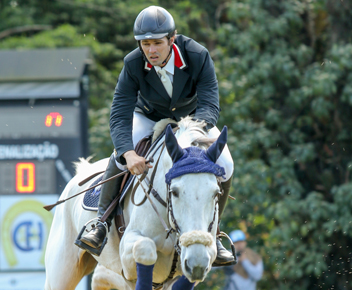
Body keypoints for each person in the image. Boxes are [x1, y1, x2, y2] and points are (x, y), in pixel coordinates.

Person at [75, 5, 235, 266]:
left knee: (226, 163)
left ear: (172, 40)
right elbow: (119, 114)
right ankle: (101, 222)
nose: (150, 51)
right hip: (148, 117)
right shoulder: (133, 63)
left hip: (193, 119)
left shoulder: (197, 55)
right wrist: (128, 153)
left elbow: (209, 104)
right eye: (145, 44)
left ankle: (214, 233)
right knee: (119, 155)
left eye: (157, 43)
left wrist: (193, 131)